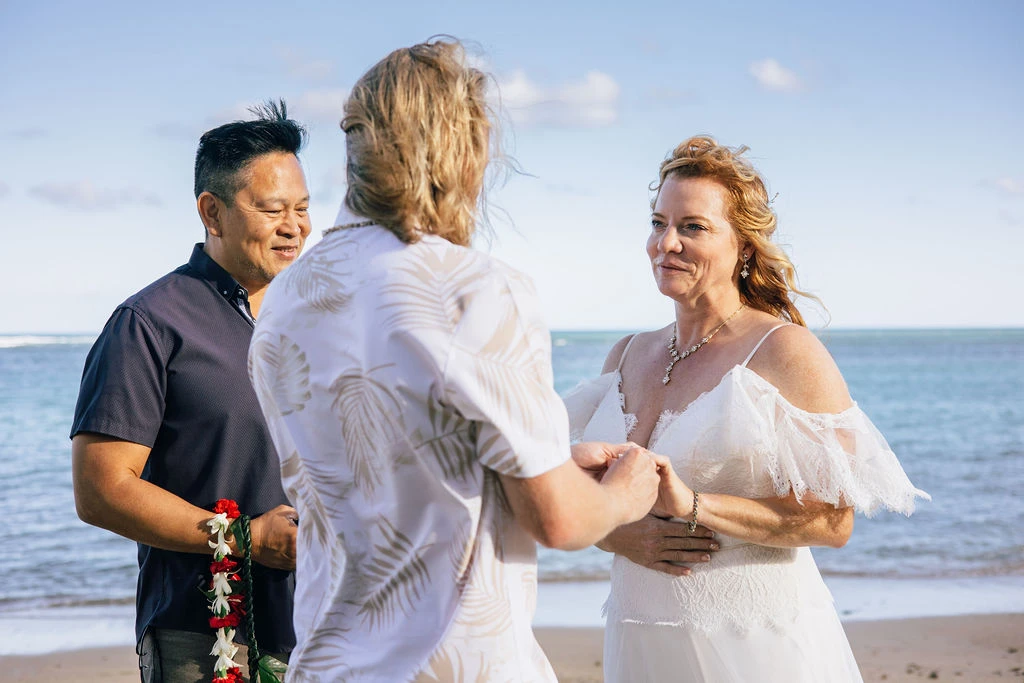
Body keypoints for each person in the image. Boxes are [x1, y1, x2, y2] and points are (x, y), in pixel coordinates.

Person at [247, 39, 661, 682]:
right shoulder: (475, 289)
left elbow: (374, 471)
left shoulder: (284, 300)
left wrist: (546, 462)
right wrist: (621, 497)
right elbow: (557, 519)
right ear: (457, 148)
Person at [564, 135, 930, 682]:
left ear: (744, 247)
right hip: (640, 636)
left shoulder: (784, 351)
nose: (666, 243)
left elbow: (834, 521)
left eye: (693, 227)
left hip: (753, 642)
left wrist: (694, 504)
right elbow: (584, 495)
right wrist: (612, 533)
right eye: (659, 222)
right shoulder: (626, 354)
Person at [71, 101, 310, 683]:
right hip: (203, 636)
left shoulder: (316, 318)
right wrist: (246, 539)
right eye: (272, 209)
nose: (294, 227)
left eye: (302, 208)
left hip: (326, 622)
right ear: (212, 212)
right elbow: (101, 491)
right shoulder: (148, 323)